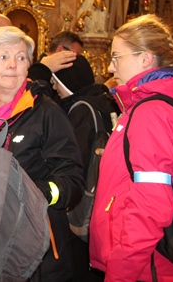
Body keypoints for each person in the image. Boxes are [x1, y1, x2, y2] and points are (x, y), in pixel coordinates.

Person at [90, 14, 173, 281]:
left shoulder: (151, 112)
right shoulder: (160, 103)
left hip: (145, 266)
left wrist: (121, 272)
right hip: (151, 261)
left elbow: (151, 203)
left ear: (145, 59)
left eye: (116, 57)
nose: (110, 67)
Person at [0, 26, 84, 281]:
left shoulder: (47, 113)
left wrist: (34, 194)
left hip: (33, 249)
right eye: (3, 56)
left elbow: (72, 181)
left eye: (21, 58)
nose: (12, 64)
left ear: (28, 66)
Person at [51, 54, 118, 282]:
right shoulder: (102, 100)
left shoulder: (80, 109)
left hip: (83, 202)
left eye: (56, 82)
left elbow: (74, 160)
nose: (54, 87)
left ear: (66, 81)